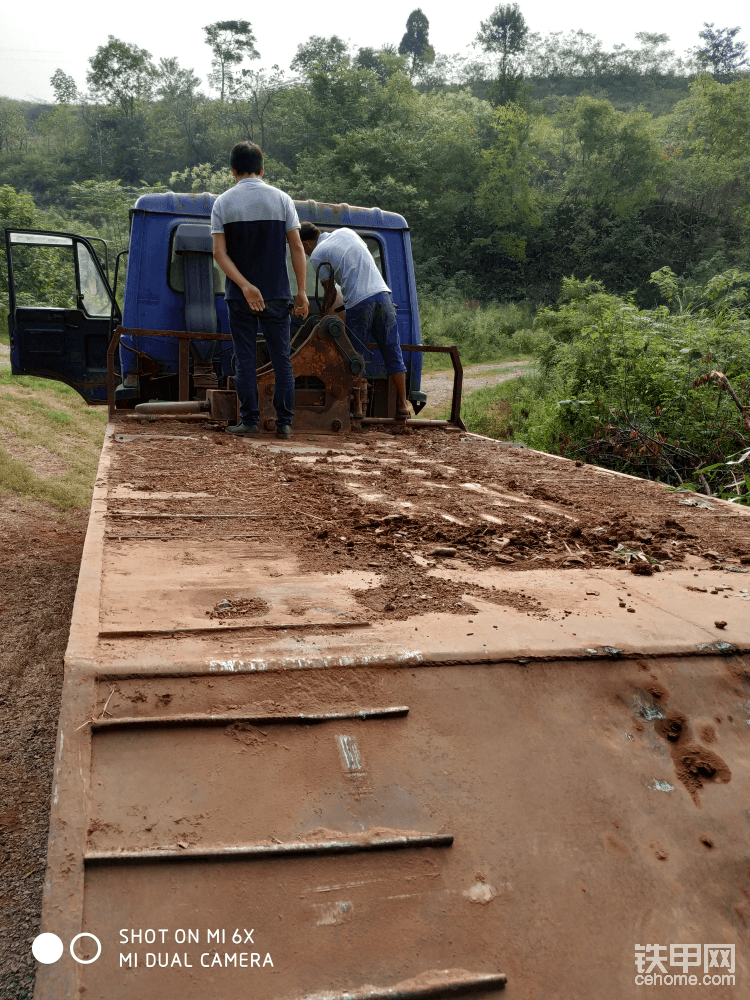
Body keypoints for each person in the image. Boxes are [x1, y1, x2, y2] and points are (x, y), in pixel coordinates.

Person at [211, 141, 309, 439]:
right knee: (282, 359)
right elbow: (296, 246)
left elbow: (219, 254)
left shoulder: (223, 203)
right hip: (278, 293)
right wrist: (301, 291)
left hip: (240, 297)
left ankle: (249, 422)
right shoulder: (282, 200)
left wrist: (245, 286)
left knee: (244, 358)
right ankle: (284, 424)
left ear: (232, 171)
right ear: (262, 169)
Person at [299, 223, 411, 419]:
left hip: (360, 303)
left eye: (303, 250)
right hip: (384, 297)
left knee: (353, 357)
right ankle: (402, 406)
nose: (307, 255)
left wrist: (324, 316)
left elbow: (330, 292)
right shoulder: (346, 232)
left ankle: (357, 408)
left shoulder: (318, 254)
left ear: (307, 244)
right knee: (393, 352)